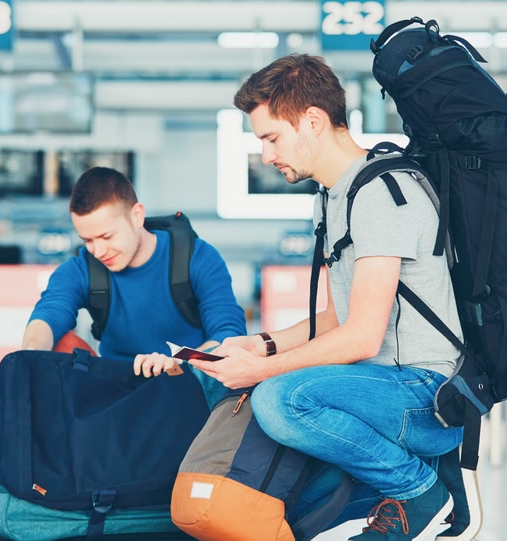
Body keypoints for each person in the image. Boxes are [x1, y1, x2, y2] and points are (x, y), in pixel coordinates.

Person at [138, 54, 466, 540]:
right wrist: (261, 345)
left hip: (423, 393)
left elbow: (360, 337)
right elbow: (335, 319)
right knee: (230, 379)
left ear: (312, 120)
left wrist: (264, 370)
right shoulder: (336, 195)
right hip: (375, 385)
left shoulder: (382, 192)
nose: (267, 155)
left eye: (271, 138)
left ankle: (420, 493)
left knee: (279, 399)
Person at [21, 166, 247, 373]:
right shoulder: (81, 268)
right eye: (88, 240)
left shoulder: (197, 258)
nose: (98, 251)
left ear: (137, 216)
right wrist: (27, 359)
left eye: (107, 236)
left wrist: (180, 360)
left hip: (185, 381)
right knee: (56, 345)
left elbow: (229, 334)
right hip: (116, 391)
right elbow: (48, 315)